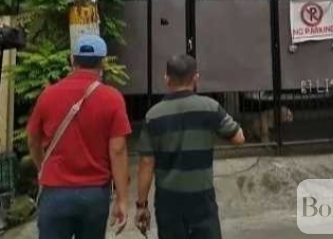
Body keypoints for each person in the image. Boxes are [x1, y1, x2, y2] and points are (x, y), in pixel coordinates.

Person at [27, 34, 131, 239]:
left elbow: (32, 140)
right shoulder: (112, 98)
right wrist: (122, 199)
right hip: (94, 195)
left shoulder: (48, 95)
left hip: (55, 193)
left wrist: (42, 167)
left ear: (72, 60)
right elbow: (118, 150)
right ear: (103, 63)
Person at [135, 54, 245, 239]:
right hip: (202, 199)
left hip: (168, 201)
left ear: (166, 79)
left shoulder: (153, 115)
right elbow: (239, 138)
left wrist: (141, 205)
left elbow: (146, 162)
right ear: (196, 78)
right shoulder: (210, 107)